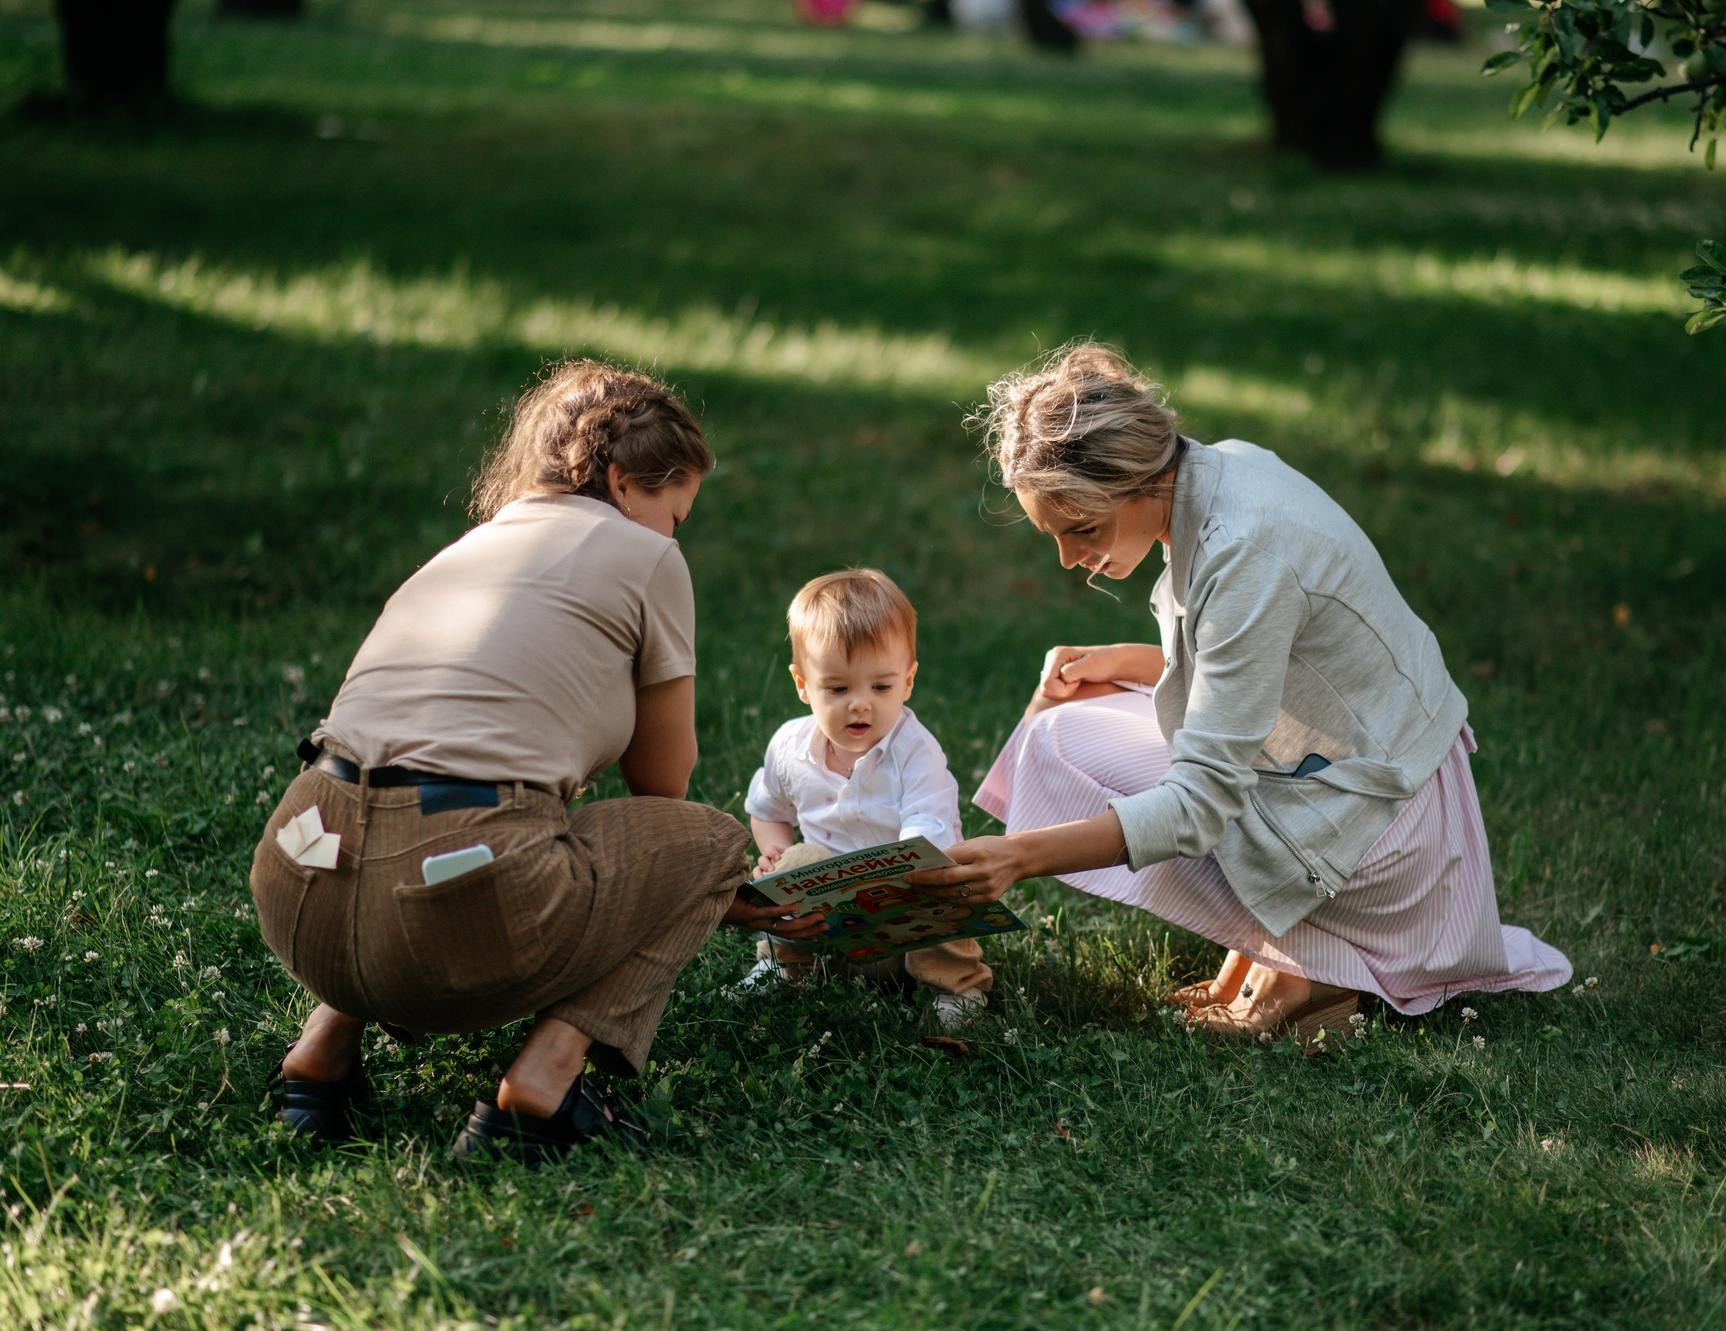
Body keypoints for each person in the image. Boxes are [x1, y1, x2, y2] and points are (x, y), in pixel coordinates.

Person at [910, 342, 1571, 1038]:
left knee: (1087, 754)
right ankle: (1276, 942)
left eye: (1083, 530)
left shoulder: (1243, 549)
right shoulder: (1220, 468)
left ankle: (1312, 963)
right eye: (1055, 536)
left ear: (1137, 480)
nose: (1070, 559)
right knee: (1065, 723)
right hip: (1365, 782)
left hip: (1382, 840)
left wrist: (1018, 858)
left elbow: (1202, 804)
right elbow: (1262, 675)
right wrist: (1124, 662)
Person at [249, 359, 819, 1162]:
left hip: (298, 878)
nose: (672, 536)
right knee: (712, 842)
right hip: (449, 898)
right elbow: (662, 788)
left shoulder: (469, 548)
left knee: (423, 807)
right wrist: (713, 889)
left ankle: (320, 1053)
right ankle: (542, 1087)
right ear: (622, 483)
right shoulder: (646, 555)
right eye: (675, 514)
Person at [739, 569, 994, 1029]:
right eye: (838, 689)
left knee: (940, 874)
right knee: (798, 861)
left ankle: (955, 988)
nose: (860, 703)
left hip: (906, 926)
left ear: (908, 681)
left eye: (881, 687)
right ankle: (785, 967)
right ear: (802, 684)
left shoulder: (915, 751)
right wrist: (776, 853)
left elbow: (928, 833)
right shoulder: (789, 748)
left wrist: (897, 875)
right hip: (832, 930)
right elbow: (767, 810)